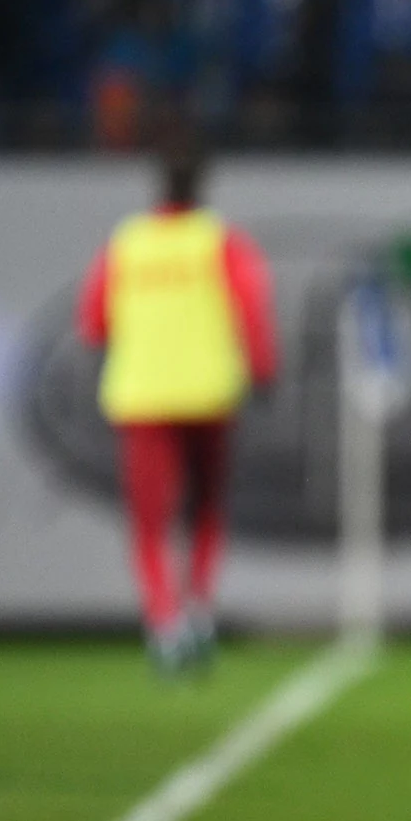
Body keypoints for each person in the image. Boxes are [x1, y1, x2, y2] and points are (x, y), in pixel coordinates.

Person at [76, 138, 278, 671]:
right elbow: (252, 310)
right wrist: (262, 372)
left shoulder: (127, 244)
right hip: (208, 393)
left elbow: (93, 323)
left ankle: (165, 626)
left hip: (142, 396)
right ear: (203, 185)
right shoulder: (221, 242)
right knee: (205, 510)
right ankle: (200, 612)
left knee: (149, 523)